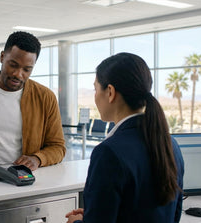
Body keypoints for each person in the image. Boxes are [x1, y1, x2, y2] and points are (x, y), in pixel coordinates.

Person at [65, 53, 184, 223]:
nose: (95, 96)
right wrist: (94, 213)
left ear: (110, 92)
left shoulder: (108, 152)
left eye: (96, 89)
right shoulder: (171, 145)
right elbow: (171, 214)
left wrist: (75, 222)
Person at [0, 31, 65, 171]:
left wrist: (37, 159)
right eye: (13, 65)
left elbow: (58, 147)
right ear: (2, 57)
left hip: (22, 178)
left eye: (27, 69)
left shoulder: (45, 97)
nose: (18, 74)